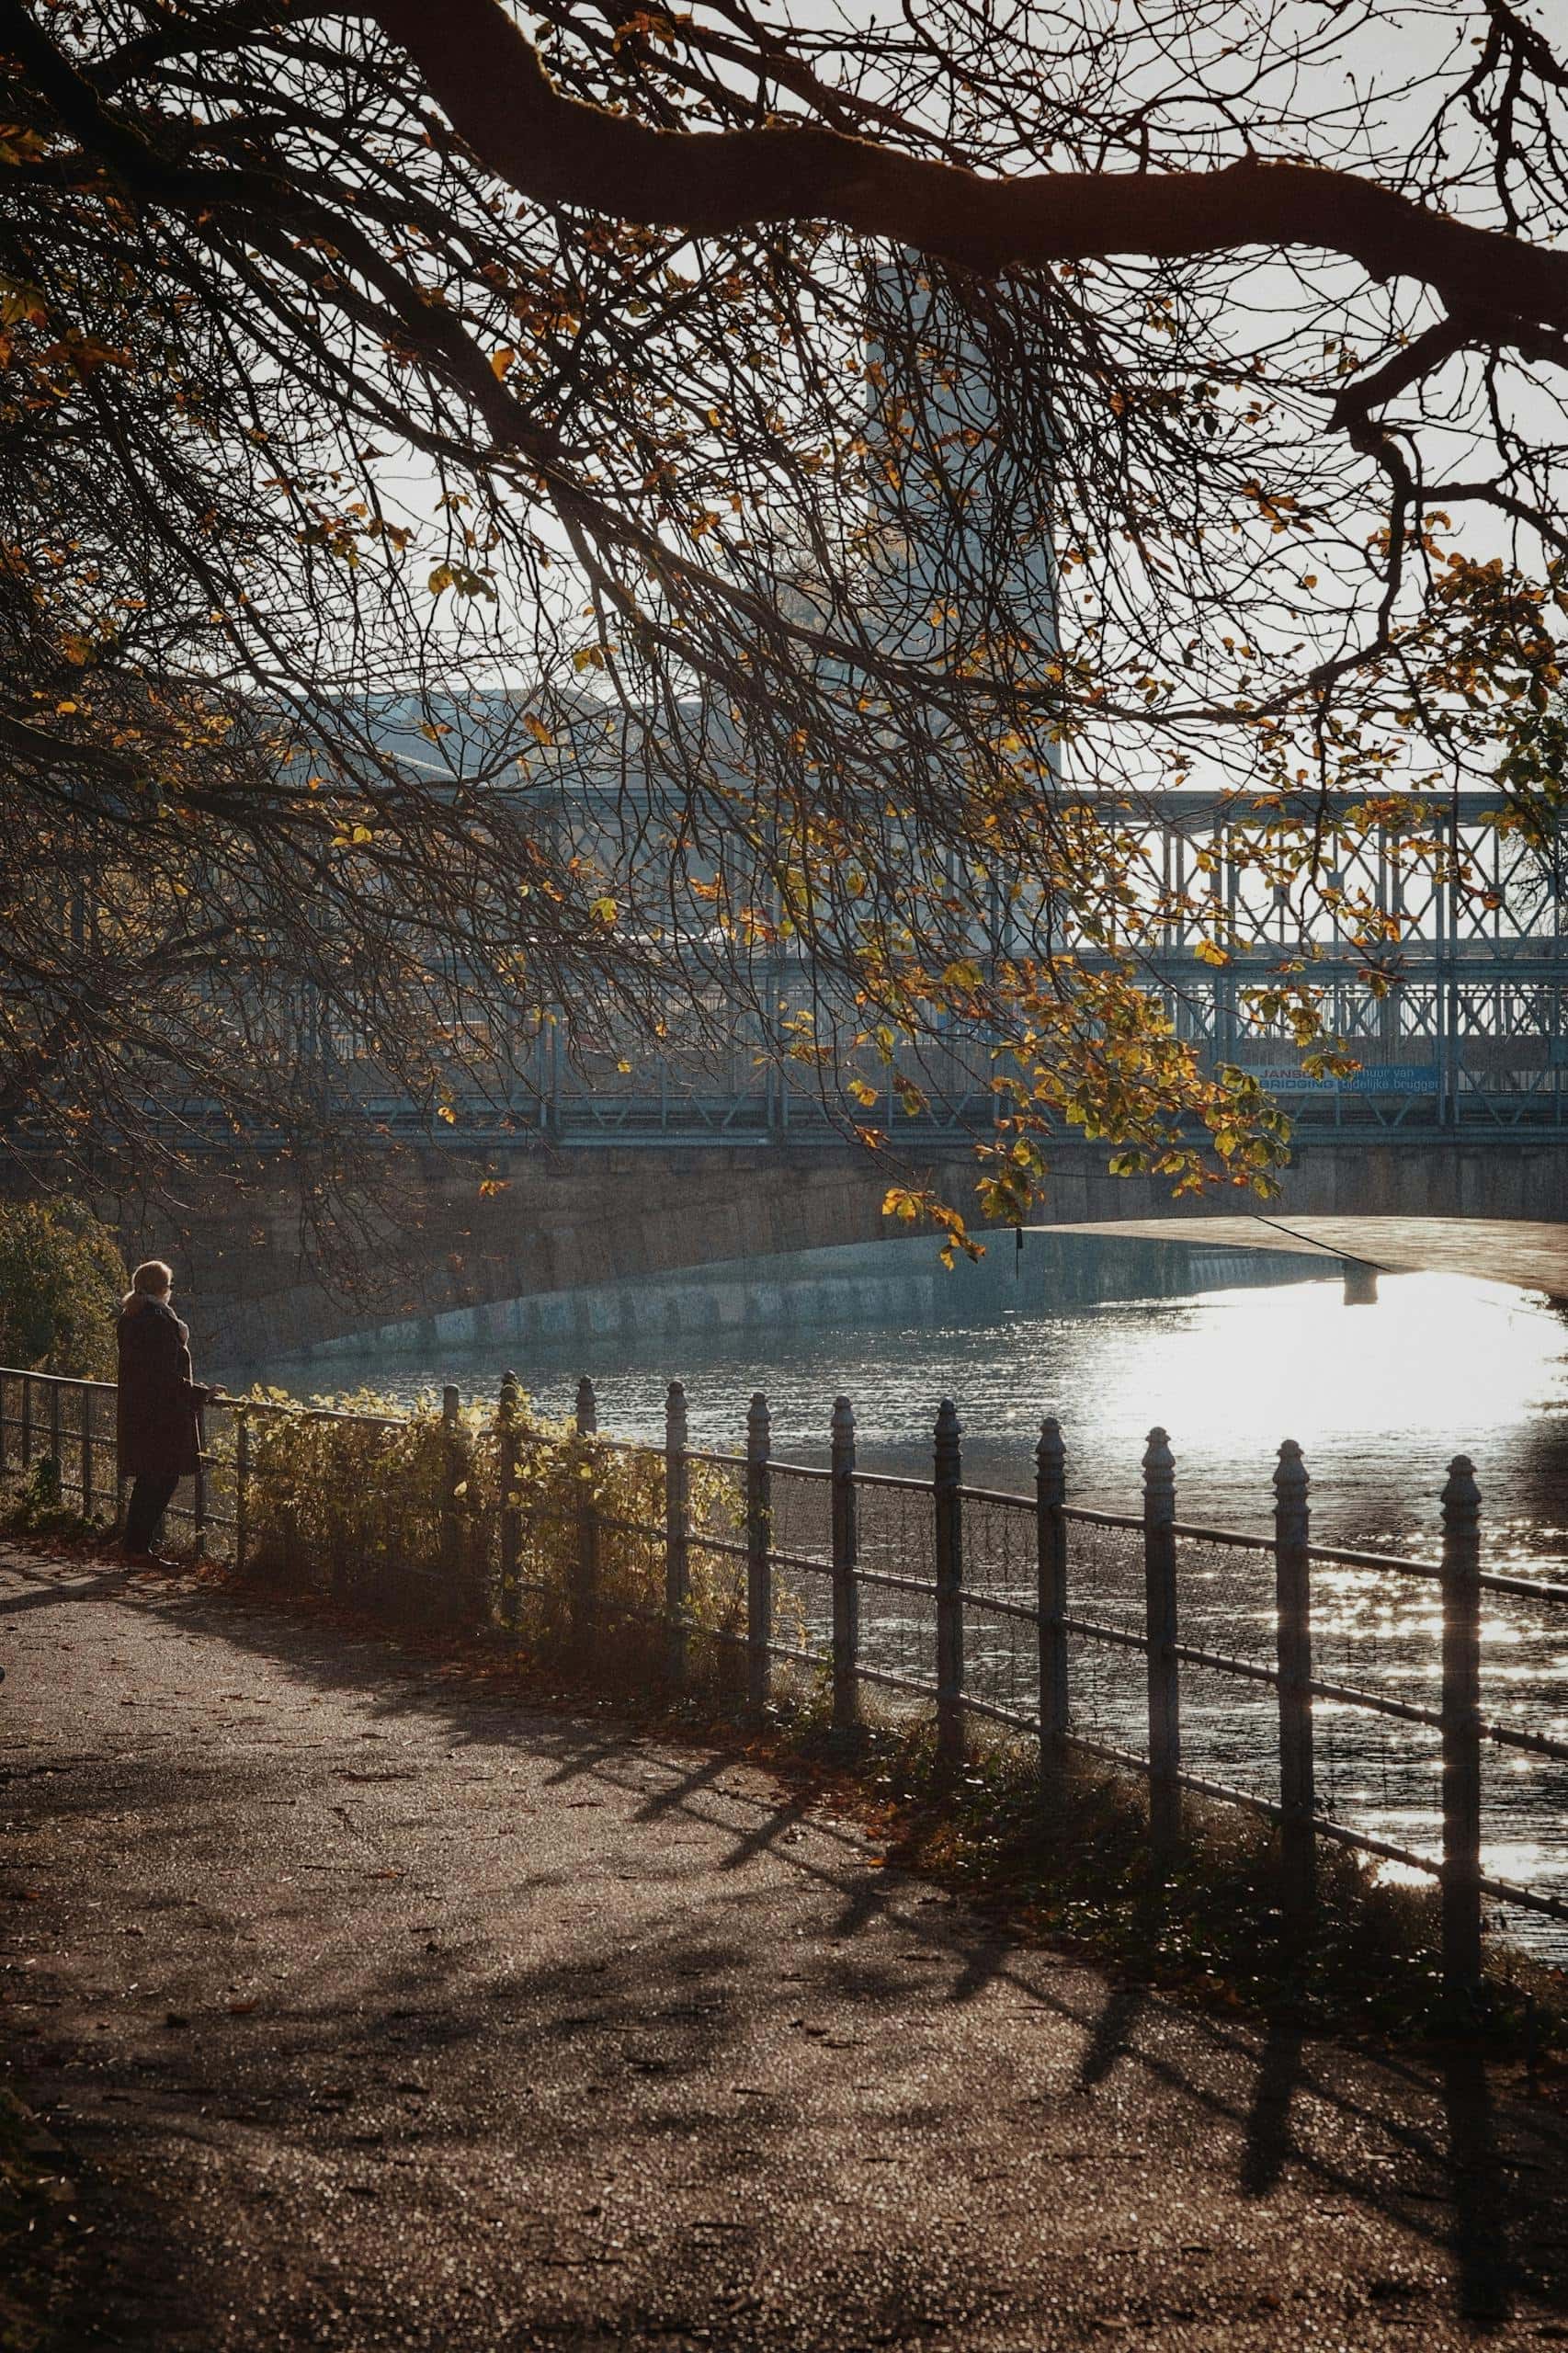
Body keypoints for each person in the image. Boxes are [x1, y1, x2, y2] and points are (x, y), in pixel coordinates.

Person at [116, 1260, 216, 1566]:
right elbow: (164, 1376)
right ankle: (137, 1548)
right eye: (169, 1285)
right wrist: (200, 1392)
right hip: (161, 1416)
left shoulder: (130, 1317)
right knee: (162, 1478)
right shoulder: (157, 1321)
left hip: (140, 1412)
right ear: (162, 1288)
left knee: (150, 1478)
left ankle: (134, 1547)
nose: (171, 1291)